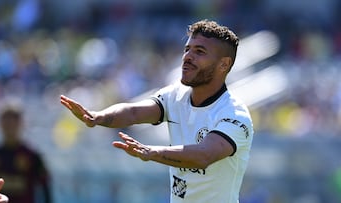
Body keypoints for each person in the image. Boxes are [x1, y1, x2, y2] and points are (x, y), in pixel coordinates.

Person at [60, 19, 254, 203]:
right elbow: (134, 112)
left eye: (200, 51)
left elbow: (204, 156)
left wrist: (152, 152)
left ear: (224, 64)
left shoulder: (234, 114)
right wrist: (99, 116)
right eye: (187, 49)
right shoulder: (175, 96)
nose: (188, 57)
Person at [0, 103, 52, 203]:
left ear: (21, 123)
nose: (10, 126)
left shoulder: (32, 155)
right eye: (6, 122)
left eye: (13, 122)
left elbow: (46, 189)